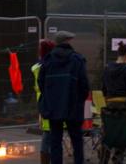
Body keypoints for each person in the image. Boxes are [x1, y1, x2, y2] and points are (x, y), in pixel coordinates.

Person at [38, 31, 90, 164]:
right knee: (77, 141)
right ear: (67, 41)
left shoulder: (48, 60)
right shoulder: (77, 59)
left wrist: (49, 99)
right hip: (73, 106)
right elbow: (84, 84)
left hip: (53, 107)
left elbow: (41, 83)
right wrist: (79, 100)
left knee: (55, 141)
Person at [101, 42, 126, 163]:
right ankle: (118, 157)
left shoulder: (107, 68)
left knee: (108, 133)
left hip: (109, 105)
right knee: (123, 133)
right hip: (124, 106)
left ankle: (104, 159)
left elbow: (104, 88)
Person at [32, 39, 56, 164]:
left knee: (47, 134)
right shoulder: (49, 66)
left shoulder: (38, 67)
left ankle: (46, 160)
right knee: (49, 136)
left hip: (43, 104)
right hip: (51, 103)